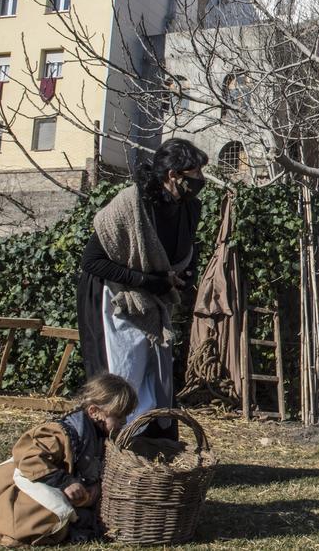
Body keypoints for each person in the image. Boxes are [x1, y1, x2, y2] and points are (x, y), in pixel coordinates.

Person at [77, 138, 208, 434]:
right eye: (195, 173)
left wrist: (184, 276)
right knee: (123, 375)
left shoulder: (190, 207)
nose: (200, 180)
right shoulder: (130, 205)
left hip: (154, 300)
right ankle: (114, 445)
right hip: (115, 300)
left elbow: (183, 251)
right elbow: (93, 261)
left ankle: (147, 448)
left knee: (153, 375)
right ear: (173, 175)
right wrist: (152, 281)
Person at [0, 374, 137, 547]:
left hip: (53, 485)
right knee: (41, 522)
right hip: (25, 484)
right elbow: (28, 458)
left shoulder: (99, 436)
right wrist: (66, 482)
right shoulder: (62, 433)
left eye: (126, 417)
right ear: (94, 411)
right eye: (118, 417)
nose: (123, 422)